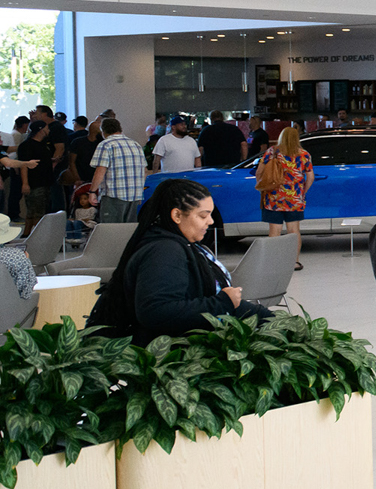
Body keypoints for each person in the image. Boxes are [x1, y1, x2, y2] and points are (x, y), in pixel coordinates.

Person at [83, 179, 271, 345]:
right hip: (168, 362)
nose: (211, 222)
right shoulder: (164, 251)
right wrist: (222, 303)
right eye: (203, 216)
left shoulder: (182, 245)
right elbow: (156, 311)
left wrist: (268, 318)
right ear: (177, 216)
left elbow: (210, 298)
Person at [260, 123, 314, 269]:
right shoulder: (304, 155)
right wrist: (302, 192)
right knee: (294, 231)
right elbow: (310, 177)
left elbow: (260, 171)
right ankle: (294, 262)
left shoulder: (272, 152)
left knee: (274, 231)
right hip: (295, 199)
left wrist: (263, 186)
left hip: (273, 198)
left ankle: (272, 263)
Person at [89, 117, 148, 225]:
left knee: (111, 232)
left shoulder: (106, 145)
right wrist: (140, 192)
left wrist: (92, 191)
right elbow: (143, 171)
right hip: (134, 196)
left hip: (113, 196)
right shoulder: (136, 145)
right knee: (128, 232)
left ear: (103, 131)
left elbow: (100, 171)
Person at [15, 117, 56, 231]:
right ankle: (36, 235)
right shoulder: (26, 146)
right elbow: (24, 165)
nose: (48, 131)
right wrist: (25, 183)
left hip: (45, 181)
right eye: (47, 128)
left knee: (37, 211)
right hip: (35, 183)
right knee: (36, 212)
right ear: (41, 130)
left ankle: (28, 234)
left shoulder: (43, 144)